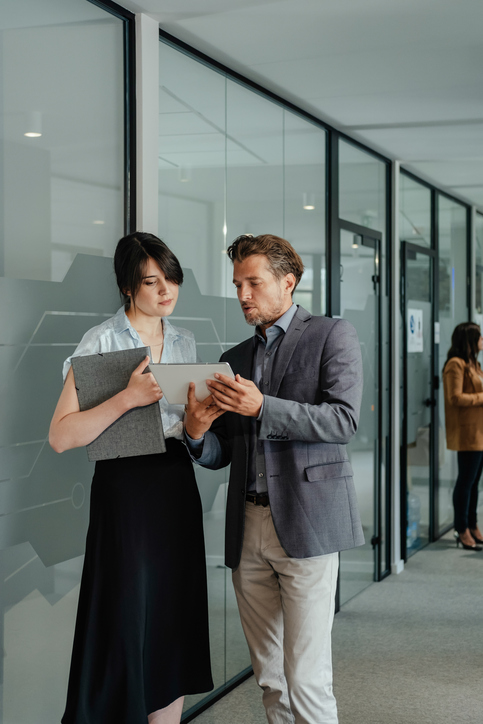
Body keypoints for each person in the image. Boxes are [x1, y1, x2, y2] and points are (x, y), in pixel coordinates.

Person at [184, 233, 364, 724]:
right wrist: (197, 436)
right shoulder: (235, 357)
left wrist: (264, 407)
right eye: (238, 283)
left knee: (306, 677)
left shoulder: (332, 334)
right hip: (247, 528)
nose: (243, 294)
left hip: (307, 525)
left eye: (253, 282)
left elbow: (344, 421)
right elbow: (223, 451)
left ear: (289, 282)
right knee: (270, 677)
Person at [49, 232, 217, 724]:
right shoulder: (101, 341)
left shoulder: (183, 340)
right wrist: (126, 397)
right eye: (152, 281)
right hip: (124, 489)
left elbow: (185, 427)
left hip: (174, 483)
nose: (166, 291)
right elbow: (61, 436)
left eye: (172, 279)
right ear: (127, 287)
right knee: (125, 618)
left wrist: (198, 425)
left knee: (171, 614)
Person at [443, 321, 483, 552]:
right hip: (468, 433)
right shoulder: (455, 365)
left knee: (475, 483)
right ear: (469, 341)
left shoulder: (473, 363)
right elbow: (454, 398)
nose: (482, 341)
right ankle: (461, 529)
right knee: (466, 483)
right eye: (479, 337)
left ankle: (472, 525)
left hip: (479, 431)